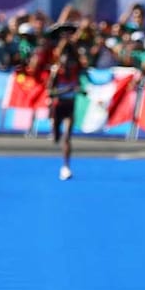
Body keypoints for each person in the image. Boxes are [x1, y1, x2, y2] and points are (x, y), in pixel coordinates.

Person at [47, 33, 84, 181]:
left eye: (70, 61)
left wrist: (71, 42)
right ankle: (54, 129)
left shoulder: (75, 70)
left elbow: (79, 61)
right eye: (65, 61)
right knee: (56, 137)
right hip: (58, 106)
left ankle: (66, 166)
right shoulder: (56, 72)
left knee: (67, 137)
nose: (68, 64)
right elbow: (50, 92)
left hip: (70, 106)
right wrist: (66, 90)